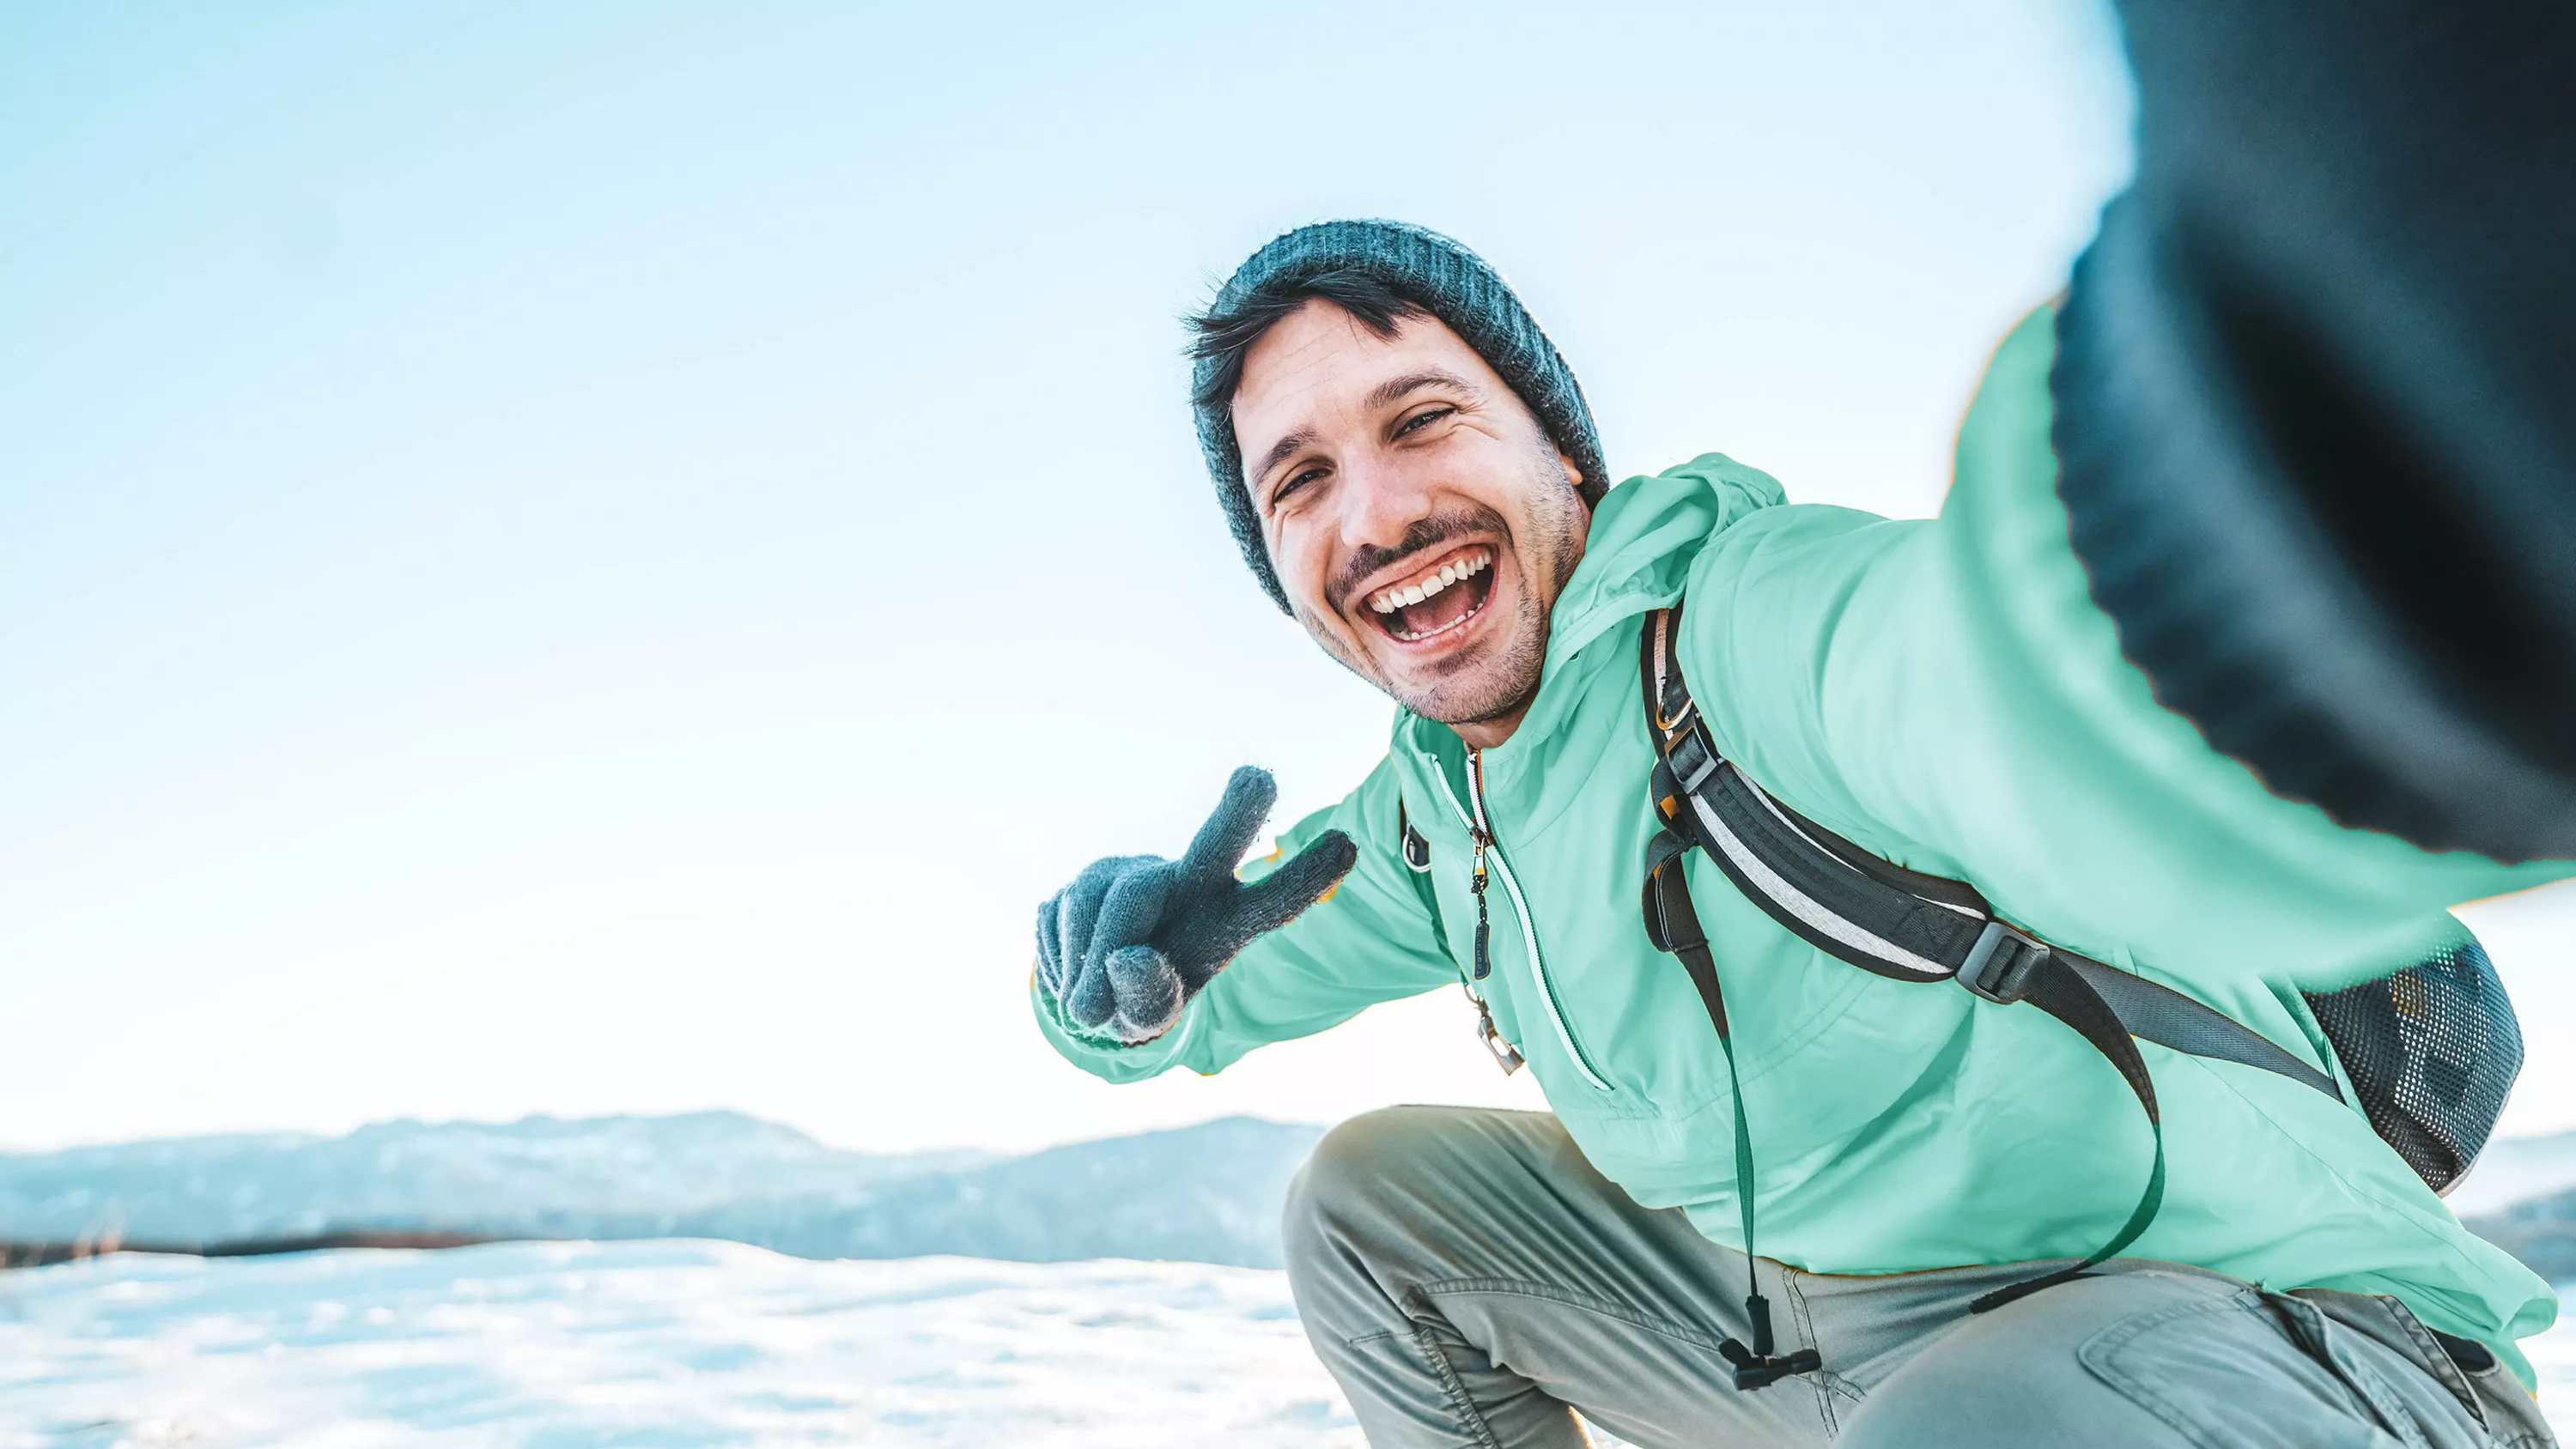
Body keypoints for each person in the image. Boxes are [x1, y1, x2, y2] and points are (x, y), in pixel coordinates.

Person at [1030, 5, 2575, 1445]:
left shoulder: (1753, 624)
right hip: (1855, 1354)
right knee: (1370, 1207)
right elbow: (1200, 1001)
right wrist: (1113, 998)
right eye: (1296, 481)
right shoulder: (1439, 816)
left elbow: (2005, 696)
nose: (1371, 513)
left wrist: (2262, 561)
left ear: (1560, 457)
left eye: (1422, 420)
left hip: (2294, 1343)